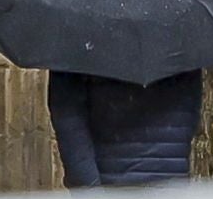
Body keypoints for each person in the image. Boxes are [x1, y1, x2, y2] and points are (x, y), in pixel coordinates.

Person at [46, 69, 203, 189]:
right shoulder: (183, 43)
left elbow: (68, 123)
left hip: (111, 184)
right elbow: (191, 112)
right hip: (171, 183)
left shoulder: (76, 44)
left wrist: (90, 192)